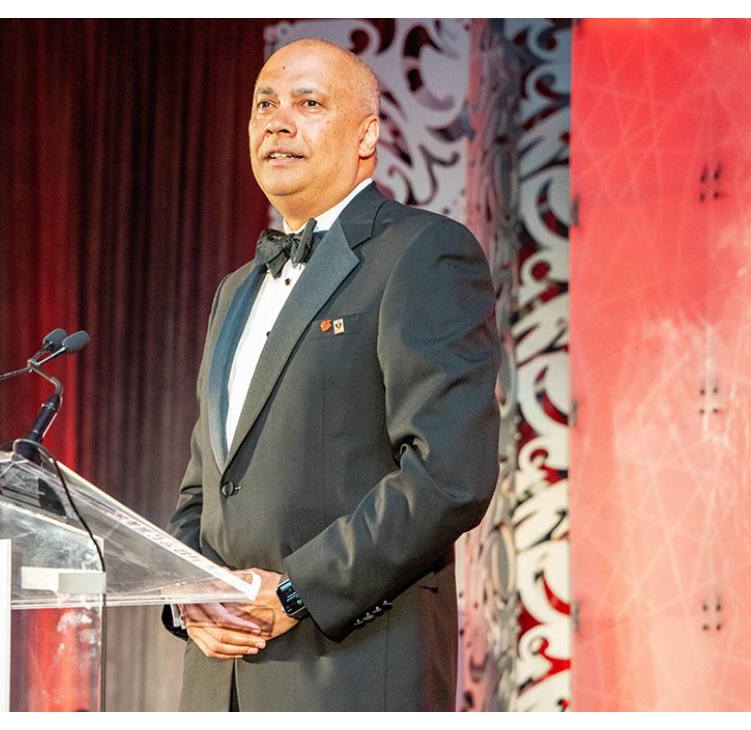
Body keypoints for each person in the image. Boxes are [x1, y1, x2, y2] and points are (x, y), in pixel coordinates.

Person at [163, 38, 500, 711]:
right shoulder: (234, 290)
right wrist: (186, 596)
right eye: (264, 105)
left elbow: (447, 474)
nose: (277, 122)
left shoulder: (422, 253)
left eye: (308, 103)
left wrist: (296, 591)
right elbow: (203, 489)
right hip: (219, 685)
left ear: (366, 133)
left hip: (350, 673)